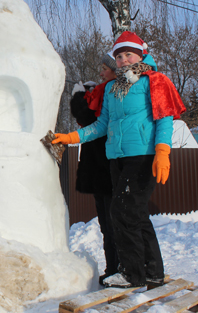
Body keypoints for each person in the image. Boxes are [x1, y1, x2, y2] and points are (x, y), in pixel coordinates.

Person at [53, 32, 186, 288]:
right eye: (119, 56)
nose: (124, 60)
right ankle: (153, 272)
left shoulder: (154, 81)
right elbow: (102, 125)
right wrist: (71, 136)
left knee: (122, 211)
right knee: (136, 214)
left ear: (140, 55)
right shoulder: (114, 88)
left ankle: (131, 273)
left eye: (128, 54)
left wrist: (162, 152)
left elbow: (164, 118)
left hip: (142, 156)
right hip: (117, 158)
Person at [68, 52, 119, 286]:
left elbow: (87, 118)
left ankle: (118, 268)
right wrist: (89, 94)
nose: (100, 73)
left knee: (112, 223)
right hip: (102, 169)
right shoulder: (105, 92)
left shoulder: (112, 93)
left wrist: (79, 97)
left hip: (107, 168)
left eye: (104, 69)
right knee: (107, 224)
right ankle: (114, 268)